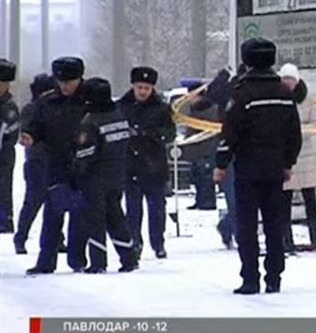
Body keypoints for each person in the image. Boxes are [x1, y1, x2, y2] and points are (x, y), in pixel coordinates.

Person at [213, 39, 301, 295]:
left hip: (248, 168)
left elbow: (230, 134)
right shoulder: (285, 94)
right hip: (275, 169)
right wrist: (288, 162)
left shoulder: (242, 94)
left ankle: (250, 278)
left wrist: (221, 164)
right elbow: (294, 133)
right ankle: (274, 277)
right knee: (275, 224)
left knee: (247, 224)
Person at [23, 57, 90, 274]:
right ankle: (46, 261)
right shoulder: (47, 102)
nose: (64, 86)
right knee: (52, 214)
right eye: (61, 81)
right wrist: (31, 136)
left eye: (69, 81)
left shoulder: (91, 100)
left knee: (80, 214)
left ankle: (77, 259)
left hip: (85, 164)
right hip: (56, 164)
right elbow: (36, 126)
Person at [72, 78, 139, 273]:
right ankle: (129, 257)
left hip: (94, 178)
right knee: (116, 217)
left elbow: (85, 153)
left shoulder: (90, 121)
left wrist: (75, 172)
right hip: (117, 175)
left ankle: (98, 262)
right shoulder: (119, 116)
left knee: (95, 220)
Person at [118, 67, 175, 259]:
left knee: (157, 208)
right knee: (133, 209)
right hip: (130, 164)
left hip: (154, 165)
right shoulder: (122, 106)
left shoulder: (161, 108)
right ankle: (134, 241)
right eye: (139, 87)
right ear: (133, 86)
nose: (143, 91)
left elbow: (169, 133)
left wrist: (151, 134)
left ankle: (158, 242)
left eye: (147, 88)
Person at [278, 63, 316, 252]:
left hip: (306, 154)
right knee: (284, 199)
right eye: (285, 80)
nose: (288, 83)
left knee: (310, 198)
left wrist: (298, 132)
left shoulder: (308, 98)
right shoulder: (278, 98)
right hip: (285, 154)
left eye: (291, 80)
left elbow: (315, 124)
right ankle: (287, 239)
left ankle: (314, 237)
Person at [14, 74, 59, 253]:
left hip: (49, 160)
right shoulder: (32, 109)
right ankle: (21, 237)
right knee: (34, 201)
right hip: (37, 161)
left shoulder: (48, 108)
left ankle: (55, 239)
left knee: (54, 202)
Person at [207, 65, 248, 249]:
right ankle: (237, 232)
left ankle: (229, 227)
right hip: (230, 148)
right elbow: (210, 96)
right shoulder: (230, 87)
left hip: (251, 150)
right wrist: (221, 78)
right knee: (234, 196)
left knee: (245, 198)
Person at [182, 83, 219, 210]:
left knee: (205, 177)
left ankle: (207, 202)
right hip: (196, 149)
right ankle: (200, 200)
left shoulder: (207, 108)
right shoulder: (195, 108)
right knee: (197, 177)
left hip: (205, 149)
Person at [0, 59, 20, 234]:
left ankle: (4, 220)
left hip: (4, 155)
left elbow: (10, 135)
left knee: (3, 186)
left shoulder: (9, 108)